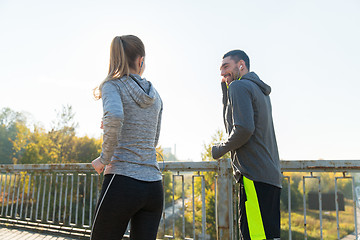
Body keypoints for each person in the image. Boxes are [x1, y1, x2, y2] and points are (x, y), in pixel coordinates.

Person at [91, 35, 163, 240]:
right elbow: (153, 139)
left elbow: (114, 116)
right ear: (141, 60)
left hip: (122, 181)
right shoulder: (156, 95)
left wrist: (103, 159)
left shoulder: (112, 86)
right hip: (153, 187)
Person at [212, 50, 281, 240]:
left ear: (241, 65)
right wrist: (226, 94)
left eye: (226, 67)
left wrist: (220, 149)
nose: (222, 73)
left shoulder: (239, 87)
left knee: (254, 236)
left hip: (253, 175)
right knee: (269, 236)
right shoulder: (260, 90)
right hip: (271, 177)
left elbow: (242, 128)